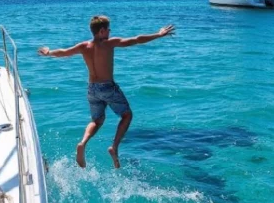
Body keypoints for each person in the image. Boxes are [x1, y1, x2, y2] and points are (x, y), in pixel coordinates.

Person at [38, 15, 175, 169]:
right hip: (107, 87)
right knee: (127, 115)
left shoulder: (84, 46)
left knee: (97, 120)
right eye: (108, 29)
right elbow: (137, 39)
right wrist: (158, 34)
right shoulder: (109, 43)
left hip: (92, 89)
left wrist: (48, 52)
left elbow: (63, 52)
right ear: (102, 31)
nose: (110, 31)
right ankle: (114, 146)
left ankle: (83, 143)